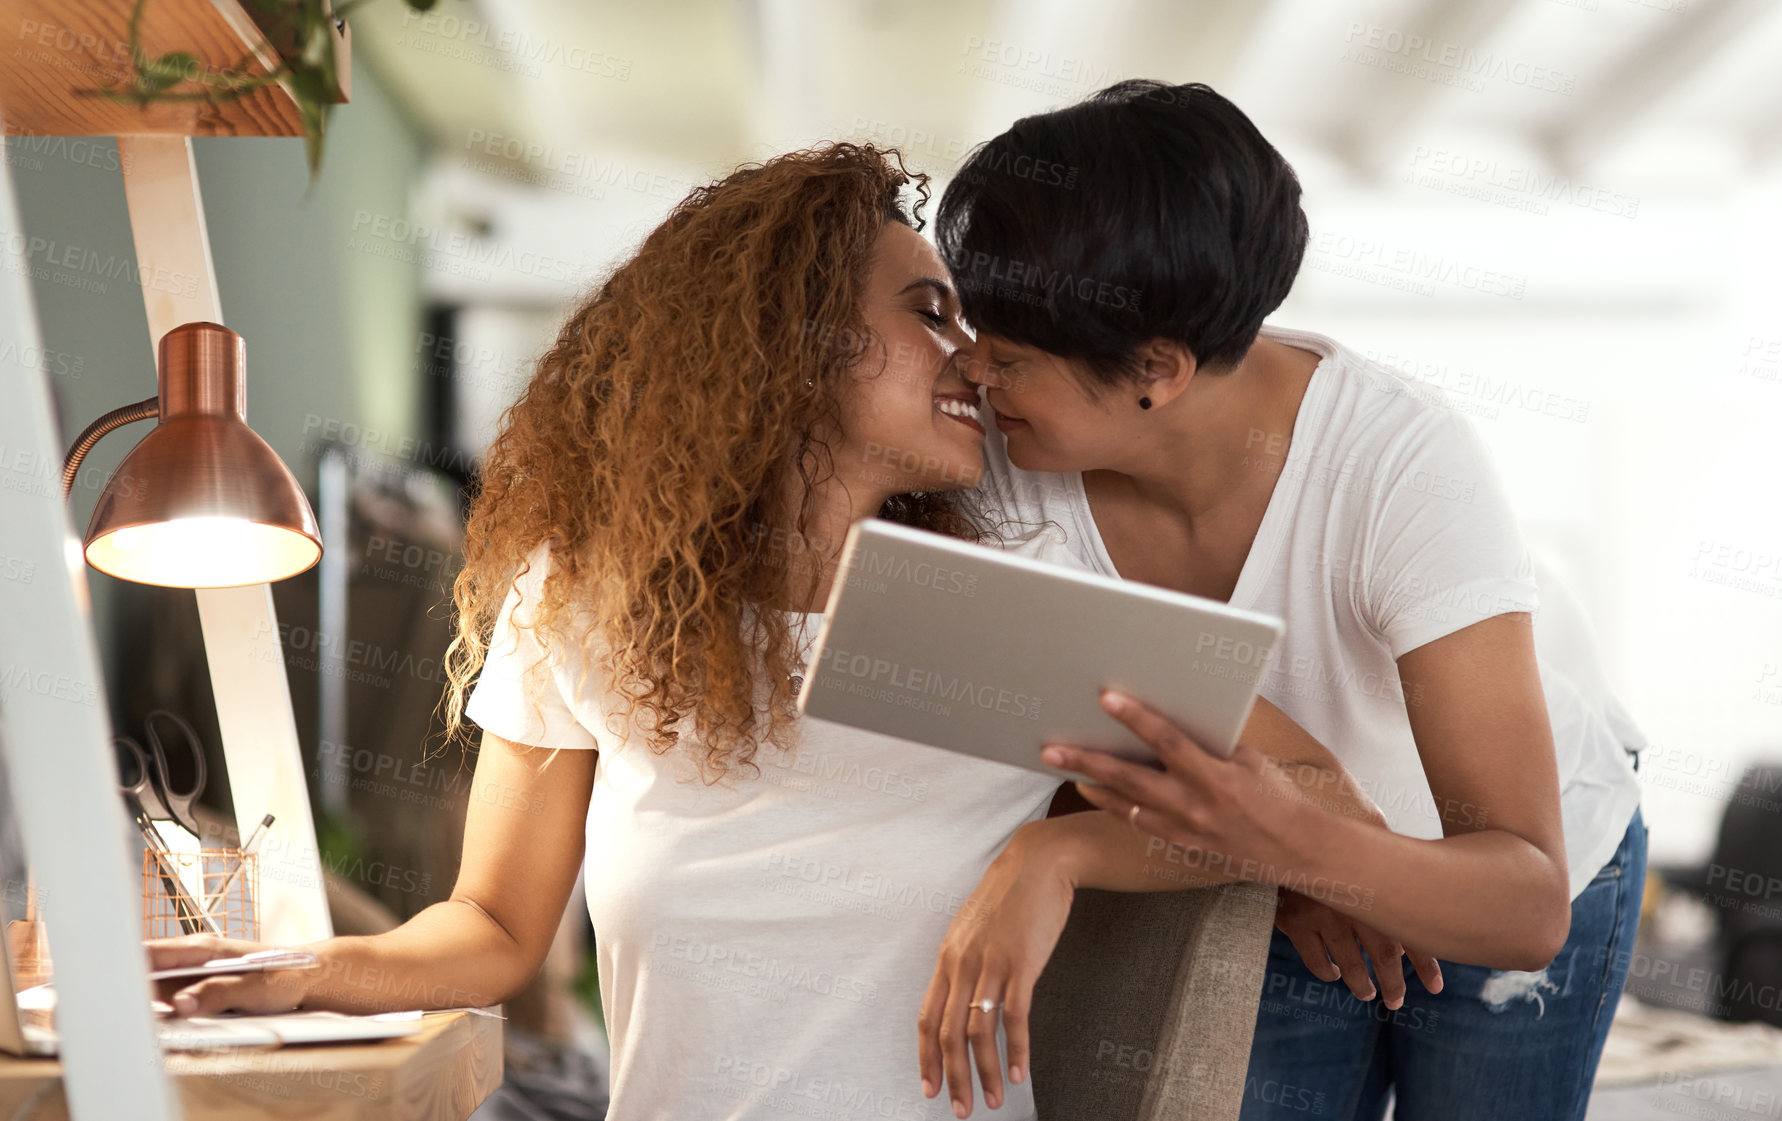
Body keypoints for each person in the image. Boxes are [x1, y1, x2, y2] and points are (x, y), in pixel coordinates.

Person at [145, 141, 1376, 1120]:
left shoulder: (1014, 593)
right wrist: (304, 968)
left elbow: (1316, 795)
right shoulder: (581, 601)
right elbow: (498, 930)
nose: (977, 357)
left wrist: (1056, 856)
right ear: (790, 340)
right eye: (932, 313)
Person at [916, 81, 1647, 1121]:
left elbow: (1524, 898)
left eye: (1013, 356)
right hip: (1264, 878)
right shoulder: (1002, 468)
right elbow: (1067, 743)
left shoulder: (1398, 463)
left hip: (1504, 875)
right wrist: (1096, 848)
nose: (972, 372)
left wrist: (1304, 846)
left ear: (1157, 371)